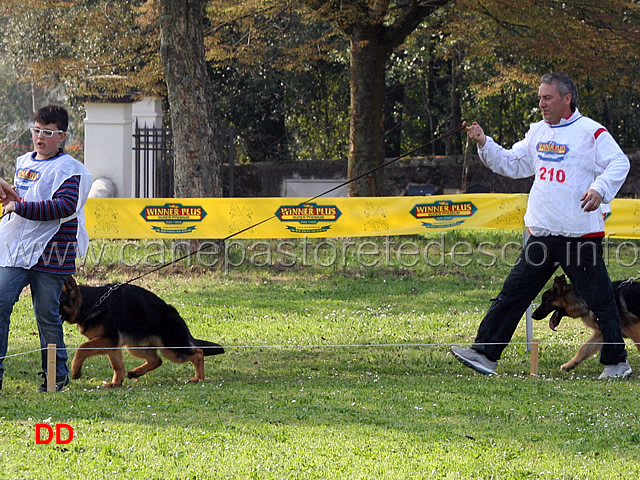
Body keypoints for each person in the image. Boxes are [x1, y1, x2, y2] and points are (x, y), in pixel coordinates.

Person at [451, 72, 632, 379]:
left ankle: (616, 364)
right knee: (513, 294)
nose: (541, 104)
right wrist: (485, 143)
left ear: (566, 99)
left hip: (580, 237)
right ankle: (484, 355)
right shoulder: (537, 133)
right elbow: (512, 163)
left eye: (547, 98)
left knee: (601, 300)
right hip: (542, 235)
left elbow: (619, 163)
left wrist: (600, 188)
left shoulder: (592, 132)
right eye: (539, 98)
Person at [0, 105, 93, 392]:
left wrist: (21, 206)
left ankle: (55, 376)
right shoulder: (23, 162)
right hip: (17, 249)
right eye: (37, 130)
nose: (40, 137)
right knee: (1, 302)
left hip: (54, 252)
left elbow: (64, 207)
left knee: (46, 314)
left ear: (62, 136)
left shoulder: (72, 170)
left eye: (48, 132)